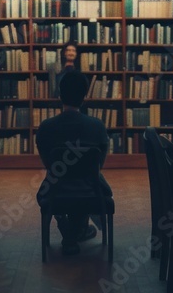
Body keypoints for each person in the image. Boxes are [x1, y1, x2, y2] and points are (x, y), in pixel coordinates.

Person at [35, 70, 112, 255]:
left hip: (56, 190)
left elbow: (48, 164)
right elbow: (98, 165)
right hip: (90, 190)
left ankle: (67, 228)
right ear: (84, 96)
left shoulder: (46, 127)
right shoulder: (97, 126)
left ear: (60, 95)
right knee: (86, 182)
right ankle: (76, 231)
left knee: (51, 186)